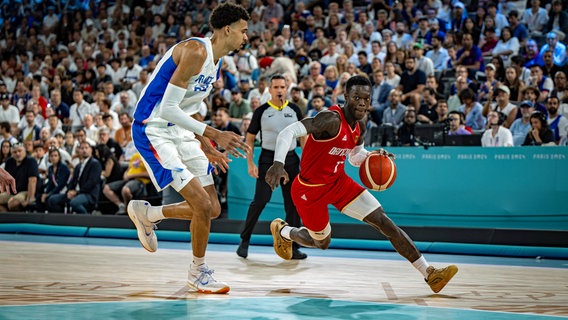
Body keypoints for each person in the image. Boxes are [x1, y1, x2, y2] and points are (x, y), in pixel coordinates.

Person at [264, 75, 458, 293]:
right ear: (346, 97)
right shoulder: (330, 119)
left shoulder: (361, 125)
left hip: (338, 183)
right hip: (309, 189)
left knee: (384, 221)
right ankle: (284, 231)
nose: (362, 103)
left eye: (366, 99)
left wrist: (371, 157)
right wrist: (278, 163)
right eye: (356, 97)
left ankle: (430, 273)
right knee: (322, 242)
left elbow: (354, 157)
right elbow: (288, 131)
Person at [126, 3, 250, 295]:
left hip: (181, 131)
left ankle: (149, 214)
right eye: (243, 31)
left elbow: (186, 109)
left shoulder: (216, 64)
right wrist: (214, 133)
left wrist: (205, 144)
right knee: (202, 205)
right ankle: (198, 274)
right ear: (227, 29)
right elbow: (168, 109)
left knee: (213, 208)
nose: (246, 37)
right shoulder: (196, 51)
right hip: (153, 128)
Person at [236, 74, 306, 259]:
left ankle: (294, 247)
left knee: (292, 204)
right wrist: (250, 163)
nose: (280, 90)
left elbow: (304, 137)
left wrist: (306, 161)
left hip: (290, 160)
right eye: (276, 87)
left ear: (286, 88)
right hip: (268, 159)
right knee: (260, 201)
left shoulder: (295, 110)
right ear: (269, 89)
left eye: (282, 87)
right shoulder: (261, 111)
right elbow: (250, 139)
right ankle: (244, 240)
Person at [47, 141, 102, 214]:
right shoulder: (78, 166)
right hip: (75, 193)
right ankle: (62, 220)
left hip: (88, 194)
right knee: (52, 200)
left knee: (74, 203)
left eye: (86, 148)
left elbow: (91, 182)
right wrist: (69, 191)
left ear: (91, 150)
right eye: (82, 148)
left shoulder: (95, 164)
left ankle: (87, 219)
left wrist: (76, 193)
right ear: (79, 150)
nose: (84, 150)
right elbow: (72, 181)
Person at [0, 142, 38, 212]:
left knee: (12, 203)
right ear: (12, 153)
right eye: (14, 152)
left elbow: (32, 181)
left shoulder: (31, 161)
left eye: (19, 151)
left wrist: (30, 199)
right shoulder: (9, 162)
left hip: (25, 192)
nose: (17, 154)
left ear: (24, 151)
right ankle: (8, 218)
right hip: (11, 192)